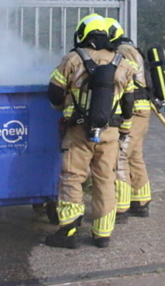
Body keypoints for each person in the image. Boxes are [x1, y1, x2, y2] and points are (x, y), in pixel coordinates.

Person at [45, 14, 134, 249]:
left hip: (79, 131)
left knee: (73, 177)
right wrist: (123, 130)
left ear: (83, 34)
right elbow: (128, 104)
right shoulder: (122, 63)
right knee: (105, 179)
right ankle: (102, 234)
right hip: (110, 133)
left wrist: (64, 107)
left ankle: (69, 231)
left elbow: (54, 93)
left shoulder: (72, 59)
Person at [105, 18, 153, 220]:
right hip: (141, 110)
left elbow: (125, 75)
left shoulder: (124, 50)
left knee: (121, 156)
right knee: (134, 156)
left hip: (133, 111)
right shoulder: (130, 48)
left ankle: (121, 206)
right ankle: (141, 201)